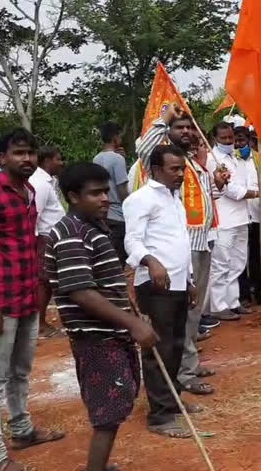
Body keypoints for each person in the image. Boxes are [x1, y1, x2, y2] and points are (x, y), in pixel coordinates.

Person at [46, 162, 158, 471]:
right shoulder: (71, 234)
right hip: (96, 337)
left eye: (106, 191)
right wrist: (132, 323)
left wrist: (133, 314)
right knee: (107, 413)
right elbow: (81, 292)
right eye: (95, 193)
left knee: (116, 401)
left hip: (110, 332)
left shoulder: (92, 229)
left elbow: (110, 285)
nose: (105, 198)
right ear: (73, 197)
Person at [0, 128, 65, 471]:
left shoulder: (29, 192)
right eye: (19, 153)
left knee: (21, 371)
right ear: (1, 159)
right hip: (2, 302)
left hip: (26, 296)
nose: (27, 159)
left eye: (31, 153)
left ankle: (22, 429)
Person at [135, 106, 219, 396]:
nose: (187, 131)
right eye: (179, 127)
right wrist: (165, 118)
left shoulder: (190, 164)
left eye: (189, 127)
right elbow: (144, 144)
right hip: (172, 254)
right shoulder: (158, 161)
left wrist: (216, 185)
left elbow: (204, 199)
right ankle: (182, 375)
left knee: (192, 314)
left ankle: (188, 366)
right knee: (175, 321)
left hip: (199, 242)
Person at [125, 145, 196, 437]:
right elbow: (132, 241)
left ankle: (172, 398)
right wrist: (151, 262)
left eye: (182, 168)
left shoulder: (174, 198)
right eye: (174, 169)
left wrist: (189, 279)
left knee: (176, 343)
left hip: (178, 283)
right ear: (155, 170)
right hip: (155, 285)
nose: (180, 174)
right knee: (159, 348)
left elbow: (180, 241)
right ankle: (160, 415)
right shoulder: (140, 200)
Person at [205, 123, 261, 322]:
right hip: (224, 219)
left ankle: (233, 302)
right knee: (221, 264)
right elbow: (233, 191)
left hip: (241, 217)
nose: (229, 142)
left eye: (230, 138)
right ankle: (219, 306)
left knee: (238, 262)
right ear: (215, 139)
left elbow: (243, 186)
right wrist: (260, 194)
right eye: (224, 139)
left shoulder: (235, 158)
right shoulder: (213, 160)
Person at [29, 146, 66, 339]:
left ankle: (39, 322)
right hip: (45, 237)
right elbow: (35, 214)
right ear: (47, 161)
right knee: (44, 282)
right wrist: (35, 242)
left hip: (51, 237)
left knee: (47, 281)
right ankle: (39, 325)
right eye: (58, 159)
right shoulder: (40, 184)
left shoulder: (48, 182)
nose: (61, 163)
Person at [237, 127, 261, 306]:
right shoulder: (230, 161)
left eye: (242, 140)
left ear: (250, 141)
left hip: (258, 216)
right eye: (235, 141)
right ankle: (243, 295)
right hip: (239, 217)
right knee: (240, 259)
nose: (239, 145)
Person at [93, 121, 130, 264]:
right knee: (119, 259)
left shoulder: (96, 158)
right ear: (115, 137)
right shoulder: (118, 159)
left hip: (102, 214)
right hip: (118, 215)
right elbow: (122, 189)